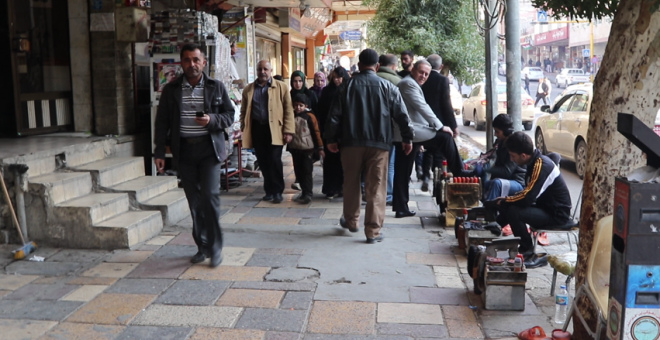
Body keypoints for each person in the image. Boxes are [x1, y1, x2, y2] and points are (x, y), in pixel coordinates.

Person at [154, 43, 235, 267]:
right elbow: (161, 123)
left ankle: (216, 247)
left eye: (196, 60)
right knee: (195, 203)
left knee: (210, 198)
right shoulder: (171, 90)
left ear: (204, 62)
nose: (192, 64)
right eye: (187, 60)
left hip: (209, 151)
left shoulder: (216, 87)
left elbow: (229, 115)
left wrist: (212, 120)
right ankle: (203, 246)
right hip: (185, 152)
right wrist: (159, 151)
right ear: (181, 63)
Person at [325, 49, 413, 244]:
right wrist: (407, 138)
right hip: (379, 144)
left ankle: (351, 221)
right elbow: (402, 115)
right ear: (377, 66)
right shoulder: (388, 87)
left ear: (359, 63)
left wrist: (331, 139)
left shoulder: (346, 86)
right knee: (376, 187)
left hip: (350, 143)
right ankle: (372, 231)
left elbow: (334, 116)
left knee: (351, 182)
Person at [394, 60, 469, 218]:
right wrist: (440, 126)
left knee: (404, 170)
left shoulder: (410, 83)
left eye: (426, 74)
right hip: (410, 132)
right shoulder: (408, 84)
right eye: (421, 72)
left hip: (409, 132)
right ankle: (459, 171)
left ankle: (401, 207)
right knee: (444, 138)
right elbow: (422, 107)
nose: (423, 76)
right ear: (413, 70)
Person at [494, 132, 572, 268]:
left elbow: (527, 198)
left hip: (557, 214)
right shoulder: (534, 162)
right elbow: (526, 193)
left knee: (513, 210)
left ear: (523, 155)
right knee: (509, 204)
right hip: (545, 206)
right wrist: (506, 201)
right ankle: (495, 227)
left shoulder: (541, 165)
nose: (511, 160)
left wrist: (507, 200)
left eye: (513, 156)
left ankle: (529, 252)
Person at [240, 60, 295, 204]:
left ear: (270, 71)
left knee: (275, 160)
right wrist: (243, 127)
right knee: (263, 161)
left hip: (275, 129)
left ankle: (277, 191)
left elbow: (288, 110)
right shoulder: (249, 89)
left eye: (265, 69)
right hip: (258, 129)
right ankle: (269, 191)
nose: (262, 72)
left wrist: (288, 130)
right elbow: (244, 111)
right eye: (259, 69)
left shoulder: (282, 87)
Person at [420, 54, 458, 191]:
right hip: (440, 122)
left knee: (427, 150)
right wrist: (453, 125)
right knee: (438, 154)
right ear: (441, 66)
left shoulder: (422, 78)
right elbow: (446, 104)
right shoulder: (443, 80)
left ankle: (425, 176)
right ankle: (437, 186)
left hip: (423, 121)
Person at [316, 67, 350, 199]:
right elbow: (321, 111)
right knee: (330, 161)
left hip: (344, 132)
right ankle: (330, 188)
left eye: (340, 77)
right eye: (335, 77)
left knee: (343, 161)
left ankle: (342, 187)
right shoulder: (327, 91)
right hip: (329, 131)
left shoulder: (348, 90)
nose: (337, 80)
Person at [288, 93, 325, 204]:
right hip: (295, 148)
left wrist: (320, 147)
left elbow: (316, 132)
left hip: (307, 149)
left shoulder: (310, 117)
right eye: (296, 105)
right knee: (298, 172)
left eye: (301, 105)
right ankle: (303, 192)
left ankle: (308, 193)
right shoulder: (292, 116)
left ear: (305, 105)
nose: (298, 107)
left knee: (307, 172)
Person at [376, 54, 402, 205]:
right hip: (391, 129)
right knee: (390, 163)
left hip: (372, 129)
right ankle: (389, 194)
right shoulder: (398, 82)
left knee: (373, 162)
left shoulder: (372, 78)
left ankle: (370, 190)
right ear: (393, 66)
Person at [479, 114, 525, 201]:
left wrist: (486, 169)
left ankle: (490, 211)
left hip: (517, 183)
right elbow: (497, 167)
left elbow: (507, 171)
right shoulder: (501, 143)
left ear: (506, 131)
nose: (495, 134)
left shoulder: (514, 144)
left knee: (496, 183)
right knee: (483, 185)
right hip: (505, 181)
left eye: (497, 132)